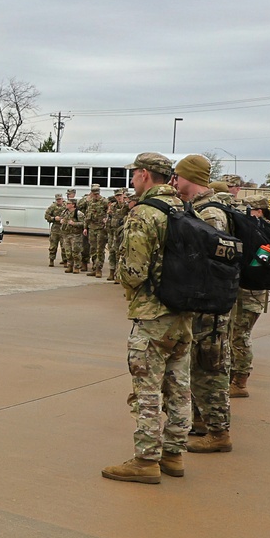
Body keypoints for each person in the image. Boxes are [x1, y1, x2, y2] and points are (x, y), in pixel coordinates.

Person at [102, 152, 192, 484]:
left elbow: (134, 272)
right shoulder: (184, 209)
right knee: (180, 386)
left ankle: (146, 460)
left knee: (147, 390)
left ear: (143, 175)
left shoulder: (144, 214)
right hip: (183, 315)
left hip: (153, 316)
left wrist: (125, 277)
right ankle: (173, 454)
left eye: (134, 174)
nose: (132, 180)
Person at [171, 154, 234, 454]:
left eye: (178, 176)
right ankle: (202, 421)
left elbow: (218, 263)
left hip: (210, 305)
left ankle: (219, 432)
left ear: (190, 178)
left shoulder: (210, 214)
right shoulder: (198, 209)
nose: (175, 181)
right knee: (199, 365)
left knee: (212, 367)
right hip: (201, 301)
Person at [229, 194, 270, 398]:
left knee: (240, 336)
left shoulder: (264, 233)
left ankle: (240, 382)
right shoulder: (264, 230)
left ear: (258, 211)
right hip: (252, 291)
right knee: (237, 335)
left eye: (248, 209)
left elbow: (260, 263)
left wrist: (247, 271)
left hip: (251, 293)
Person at [106, 188, 130, 281]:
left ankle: (118, 274)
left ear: (123, 195)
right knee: (112, 251)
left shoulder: (126, 206)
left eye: (120, 195)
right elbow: (109, 218)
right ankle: (111, 272)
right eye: (117, 196)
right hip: (112, 232)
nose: (119, 198)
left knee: (119, 253)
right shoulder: (113, 206)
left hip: (121, 232)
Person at [59, 199, 84, 274]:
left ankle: (76, 267)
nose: (66, 204)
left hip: (76, 235)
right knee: (68, 251)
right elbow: (61, 218)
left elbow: (84, 223)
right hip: (66, 234)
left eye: (68, 203)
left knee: (75, 251)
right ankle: (70, 265)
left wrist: (74, 223)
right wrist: (61, 221)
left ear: (73, 205)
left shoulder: (79, 214)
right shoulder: (65, 212)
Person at [44, 193, 66, 267]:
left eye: (60, 199)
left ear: (62, 199)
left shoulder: (66, 206)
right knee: (53, 246)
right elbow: (46, 216)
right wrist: (53, 218)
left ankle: (65, 261)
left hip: (64, 228)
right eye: (57, 199)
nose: (59, 201)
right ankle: (51, 260)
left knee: (64, 246)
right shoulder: (53, 207)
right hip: (55, 228)